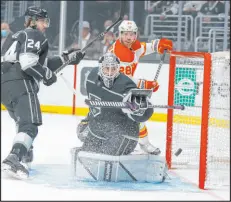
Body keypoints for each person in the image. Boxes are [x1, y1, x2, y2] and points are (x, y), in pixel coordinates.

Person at [1, 6, 84, 179]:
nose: (45, 25)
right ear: (31, 21)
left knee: (22, 121)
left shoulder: (14, 36)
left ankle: (24, 154)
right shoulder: (34, 34)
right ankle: (14, 158)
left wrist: (67, 59)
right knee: (29, 125)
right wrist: (47, 76)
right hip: (21, 82)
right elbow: (28, 63)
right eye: (42, 21)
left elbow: (34, 61)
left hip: (5, 85)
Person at [107, 20, 173, 155]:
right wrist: (145, 84)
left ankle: (143, 143)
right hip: (112, 86)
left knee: (138, 112)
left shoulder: (130, 46)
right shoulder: (120, 52)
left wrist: (157, 45)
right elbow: (123, 79)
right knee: (128, 114)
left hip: (122, 87)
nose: (129, 37)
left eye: (132, 34)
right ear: (120, 34)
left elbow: (142, 49)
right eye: (126, 34)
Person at [76, 52, 154, 155]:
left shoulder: (126, 85)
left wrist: (140, 109)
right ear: (100, 68)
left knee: (104, 156)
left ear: (118, 68)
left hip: (123, 133)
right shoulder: (91, 78)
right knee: (85, 154)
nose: (109, 72)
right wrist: (87, 120)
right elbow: (95, 106)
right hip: (100, 127)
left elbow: (146, 111)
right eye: (106, 68)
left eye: (113, 69)